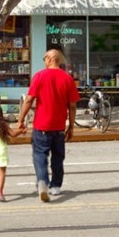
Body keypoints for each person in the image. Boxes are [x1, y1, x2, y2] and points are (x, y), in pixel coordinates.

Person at [17, 48, 80, 202]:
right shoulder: (67, 79)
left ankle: (42, 181)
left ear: (50, 59)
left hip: (41, 126)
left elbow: (29, 100)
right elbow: (72, 106)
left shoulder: (39, 76)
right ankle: (56, 186)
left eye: (44, 58)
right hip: (59, 127)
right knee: (58, 158)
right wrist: (71, 126)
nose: (44, 61)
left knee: (40, 156)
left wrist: (20, 119)